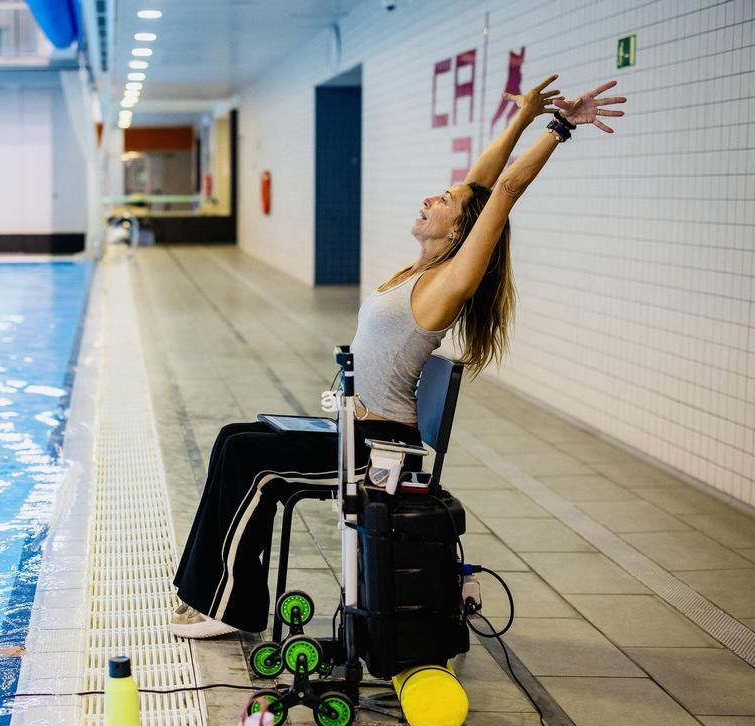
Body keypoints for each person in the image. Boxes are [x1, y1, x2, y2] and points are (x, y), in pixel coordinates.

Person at [170, 76, 627, 638]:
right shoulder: (422, 269)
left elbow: (500, 193)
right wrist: (523, 115)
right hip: (356, 429)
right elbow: (481, 184)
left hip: (379, 448)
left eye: (444, 201)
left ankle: (228, 607)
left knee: (252, 463)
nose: (433, 197)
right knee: (232, 440)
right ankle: (201, 592)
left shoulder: (448, 284)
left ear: (461, 229)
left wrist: (556, 127)